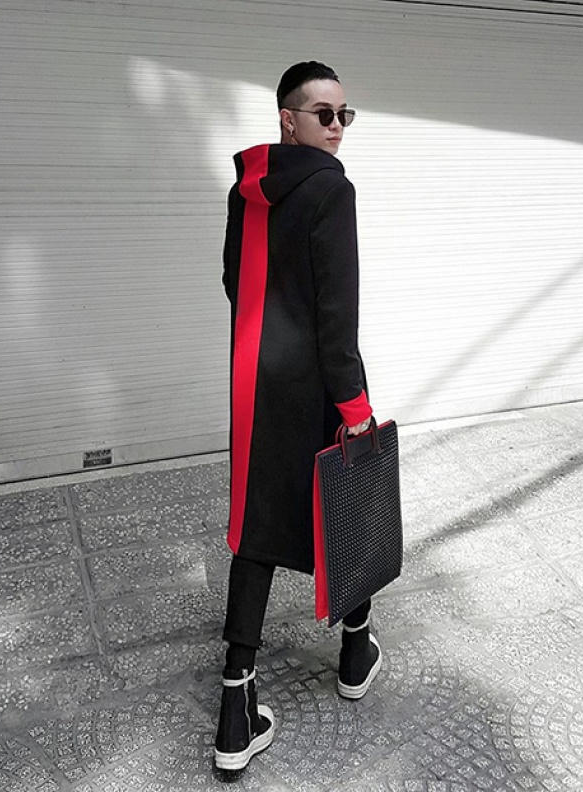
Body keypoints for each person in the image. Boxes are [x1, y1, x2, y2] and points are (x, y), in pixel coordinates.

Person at [215, 61, 381, 772]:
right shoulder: (331, 189)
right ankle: (355, 652)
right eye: (324, 114)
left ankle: (236, 707)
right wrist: (355, 406)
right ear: (288, 119)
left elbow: (234, 280)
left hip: (254, 379)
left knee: (255, 527)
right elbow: (337, 312)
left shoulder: (246, 188)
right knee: (351, 505)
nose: (338, 126)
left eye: (346, 114)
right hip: (316, 380)